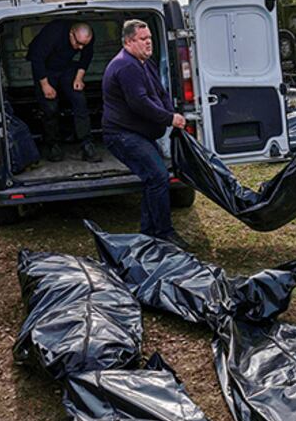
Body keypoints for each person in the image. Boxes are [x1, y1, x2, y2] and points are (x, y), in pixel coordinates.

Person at [102, 19, 190, 250]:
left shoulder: (143, 62)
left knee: (154, 179)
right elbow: (139, 103)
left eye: (150, 38)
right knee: (158, 177)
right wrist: (169, 119)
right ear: (129, 42)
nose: (149, 42)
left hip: (138, 134)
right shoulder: (126, 66)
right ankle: (163, 234)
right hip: (121, 135)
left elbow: (160, 92)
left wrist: (171, 110)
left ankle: (148, 234)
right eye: (143, 39)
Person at [27, 20, 99, 163]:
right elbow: (37, 59)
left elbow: (86, 57)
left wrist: (79, 78)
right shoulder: (53, 33)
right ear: (71, 34)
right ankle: (53, 145)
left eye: (83, 45)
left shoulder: (87, 37)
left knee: (80, 100)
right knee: (50, 106)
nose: (80, 48)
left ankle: (87, 144)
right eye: (78, 43)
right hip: (45, 68)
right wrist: (45, 85)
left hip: (66, 67)